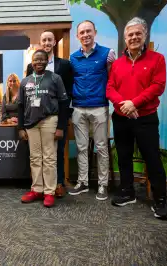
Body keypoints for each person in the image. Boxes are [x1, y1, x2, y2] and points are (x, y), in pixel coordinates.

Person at [106, 17, 167, 220]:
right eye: (130, 35)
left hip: (146, 118)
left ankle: (160, 200)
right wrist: (124, 106)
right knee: (123, 157)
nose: (134, 37)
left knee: (152, 158)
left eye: (137, 34)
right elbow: (110, 88)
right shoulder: (117, 64)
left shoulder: (157, 59)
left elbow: (158, 86)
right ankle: (127, 192)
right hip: (121, 118)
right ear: (125, 38)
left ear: (145, 36)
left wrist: (134, 103)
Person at [68, 20, 116, 201]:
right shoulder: (73, 58)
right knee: (81, 148)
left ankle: (102, 185)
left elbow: (114, 78)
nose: (85, 35)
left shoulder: (106, 54)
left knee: (101, 147)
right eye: (82, 32)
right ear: (77, 36)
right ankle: (83, 182)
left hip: (99, 107)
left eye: (88, 31)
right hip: (79, 107)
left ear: (95, 32)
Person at [18, 49, 68, 207]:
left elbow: (64, 103)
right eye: (36, 60)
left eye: (42, 60)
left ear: (47, 61)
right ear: (31, 62)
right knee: (35, 157)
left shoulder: (55, 78)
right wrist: (21, 128)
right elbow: (20, 106)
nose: (38, 62)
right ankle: (37, 189)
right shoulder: (25, 81)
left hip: (49, 120)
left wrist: (61, 127)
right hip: (31, 124)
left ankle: (49, 191)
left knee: (49, 157)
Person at [26, 30, 73, 197]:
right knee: (39, 155)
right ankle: (39, 187)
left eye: (49, 40)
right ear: (40, 43)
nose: (46, 43)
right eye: (43, 40)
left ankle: (57, 184)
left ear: (54, 42)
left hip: (56, 117)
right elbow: (29, 95)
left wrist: (62, 121)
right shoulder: (30, 67)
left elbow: (67, 95)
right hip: (36, 118)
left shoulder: (65, 65)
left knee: (56, 151)